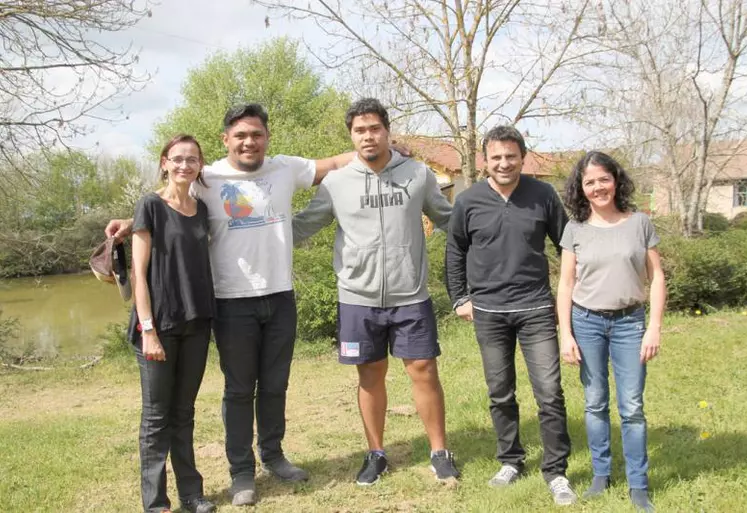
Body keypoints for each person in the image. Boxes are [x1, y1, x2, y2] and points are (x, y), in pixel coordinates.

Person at [107, 103, 357, 506]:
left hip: (280, 296)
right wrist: (130, 221)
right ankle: (242, 473)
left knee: (275, 385)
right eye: (240, 135)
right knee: (240, 390)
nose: (249, 142)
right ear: (226, 140)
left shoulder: (284, 168)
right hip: (230, 302)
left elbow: (334, 161)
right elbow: (170, 199)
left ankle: (273, 456)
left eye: (256, 134)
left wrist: (387, 145)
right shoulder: (209, 177)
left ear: (267, 138)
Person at [292, 98, 460, 485]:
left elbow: (450, 219)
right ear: (351, 136)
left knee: (424, 371)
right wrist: (253, 229)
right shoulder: (336, 183)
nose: (368, 136)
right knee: (369, 375)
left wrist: (495, 234)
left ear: (387, 131)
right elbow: (302, 227)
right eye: (359, 130)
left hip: (410, 294)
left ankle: (439, 452)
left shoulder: (417, 174)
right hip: (357, 298)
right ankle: (376, 454)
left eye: (374, 128)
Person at [444, 125, 576, 505]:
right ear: (485, 160)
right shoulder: (468, 201)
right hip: (489, 312)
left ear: (523, 157)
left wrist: (570, 297)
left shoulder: (543, 195)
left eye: (511, 156)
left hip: (536, 309)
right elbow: (455, 252)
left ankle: (556, 471)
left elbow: (567, 245)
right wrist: (459, 298)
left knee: (549, 393)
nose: (504, 163)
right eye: (496, 157)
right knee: (500, 393)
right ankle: (511, 460)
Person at [556, 151, 665, 512]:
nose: (598, 187)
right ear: (581, 188)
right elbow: (566, 284)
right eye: (590, 182)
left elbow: (657, 277)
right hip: (587, 323)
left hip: (630, 324)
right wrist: (566, 334)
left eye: (604, 178)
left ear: (615, 180)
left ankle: (638, 484)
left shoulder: (640, 224)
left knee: (632, 407)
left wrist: (654, 328)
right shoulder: (575, 229)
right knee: (594, 402)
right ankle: (601, 475)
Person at [129, 134, 216, 513]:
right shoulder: (149, 205)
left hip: (197, 324)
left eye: (192, 160)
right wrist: (148, 330)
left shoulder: (202, 210)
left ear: (200, 166)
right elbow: (138, 273)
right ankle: (155, 502)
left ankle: (192, 495)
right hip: (158, 327)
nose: (184, 165)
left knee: (184, 412)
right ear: (164, 162)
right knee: (156, 416)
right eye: (177, 159)